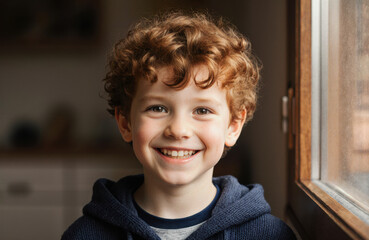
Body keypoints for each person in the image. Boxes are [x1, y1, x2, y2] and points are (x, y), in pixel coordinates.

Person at [62, 10, 296, 240]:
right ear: (125, 123)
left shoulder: (271, 235)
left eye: (202, 110)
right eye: (158, 108)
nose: (178, 129)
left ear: (233, 126)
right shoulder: (83, 235)